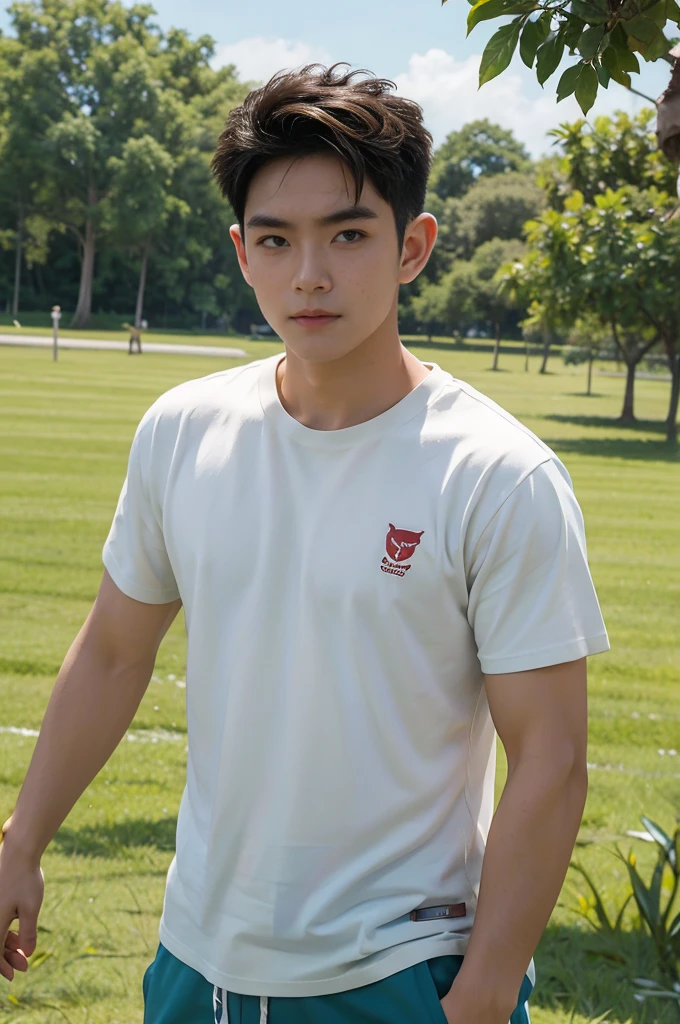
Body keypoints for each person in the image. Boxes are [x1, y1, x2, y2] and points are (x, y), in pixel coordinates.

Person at [0, 62, 610, 1024]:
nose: (310, 274)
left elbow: (553, 757)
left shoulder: (496, 473)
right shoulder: (182, 429)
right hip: (196, 961)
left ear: (414, 247)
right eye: (277, 241)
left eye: (349, 235)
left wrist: (486, 995)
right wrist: (22, 839)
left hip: (405, 973)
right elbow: (116, 652)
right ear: (242, 254)